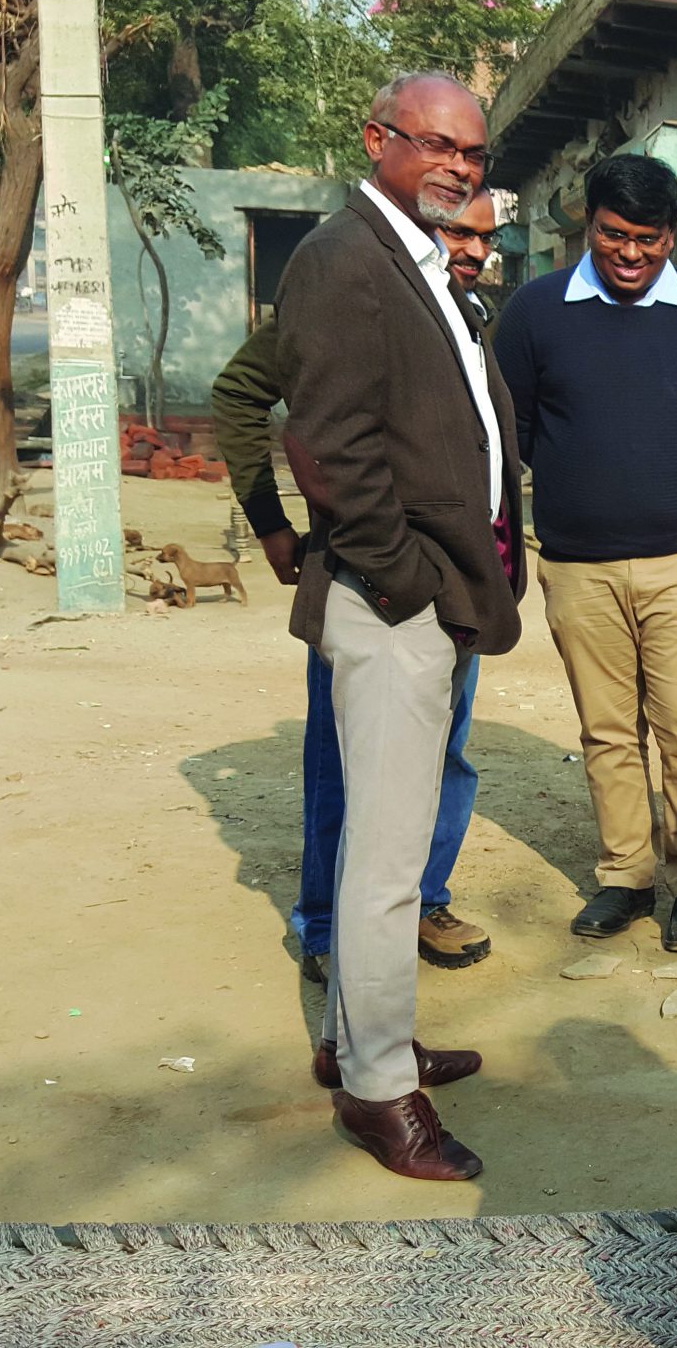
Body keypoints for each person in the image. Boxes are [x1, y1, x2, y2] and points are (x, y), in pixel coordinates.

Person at [276, 71, 524, 1181]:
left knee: (386, 841)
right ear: (376, 138)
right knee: (385, 860)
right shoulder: (343, 260)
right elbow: (328, 444)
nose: (460, 167)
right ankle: (381, 1094)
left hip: (426, 593)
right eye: (438, 146)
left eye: (473, 153)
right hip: (392, 604)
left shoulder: (422, 266)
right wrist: (405, 582)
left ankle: (362, 1039)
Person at [214, 190, 503, 978]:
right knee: (342, 761)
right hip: (375, 580)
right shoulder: (352, 299)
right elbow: (242, 395)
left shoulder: (469, 319)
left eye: (487, 237)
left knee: (445, 750)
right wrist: (271, 522)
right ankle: (325, 926)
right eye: (456, 233)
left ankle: (422, 901)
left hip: (458, 586)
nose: (474, 251)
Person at [495, 153, 677, 951]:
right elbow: (515, 427)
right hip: (578, 563)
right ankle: (626, 877)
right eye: (615, 235)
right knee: (607, 729)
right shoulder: (537, 312)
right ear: (589, 223)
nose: (631, 254)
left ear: (674, 234)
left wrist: (672, 480)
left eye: (649, 239)